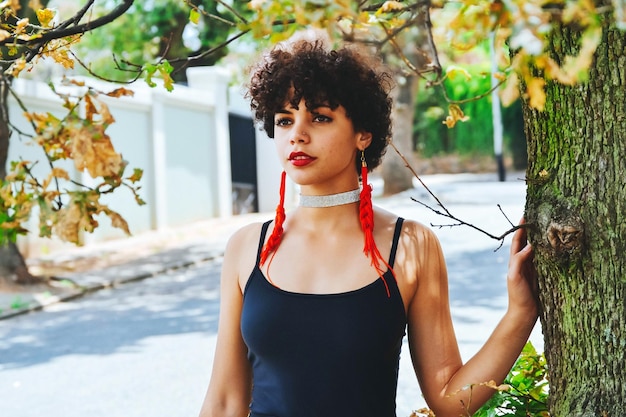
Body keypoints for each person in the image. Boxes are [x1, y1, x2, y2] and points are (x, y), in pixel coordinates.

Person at [198, 33, 538, 417]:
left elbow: (449, 399)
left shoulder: (410, 246)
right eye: (284, 120)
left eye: (320, 117)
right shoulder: (247, 247)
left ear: (363, 134)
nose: (298, 134)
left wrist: (520, 313)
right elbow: (225, 403)